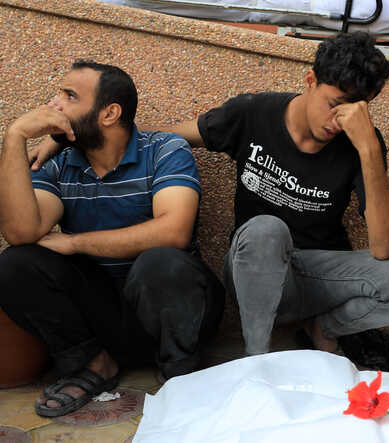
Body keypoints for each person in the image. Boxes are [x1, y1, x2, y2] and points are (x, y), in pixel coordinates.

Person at [30, 32, 389, 357]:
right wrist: (70, 142)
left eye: (356, 111)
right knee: (266, 230)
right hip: (253, 266)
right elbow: (157, 138)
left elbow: (383, 250)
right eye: (335, 105)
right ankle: (257, 361)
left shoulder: (361, 143)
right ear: (310, 81)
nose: (339, 122)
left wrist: (369, 149)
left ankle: (324, 329)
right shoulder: (254, 113)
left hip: (317, 275)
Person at [0, 60, 225, 417]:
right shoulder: (60, 163)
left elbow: (174, 230)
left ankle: (180, 373)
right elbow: (21, 232)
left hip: (173, 313)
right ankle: (93, 364)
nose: (54, 104)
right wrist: (15, 137)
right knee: (15, 262)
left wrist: (75, 243)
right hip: (104, 317)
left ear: (109, 113)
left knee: (162, 260)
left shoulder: (164, 150)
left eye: (69, 96)